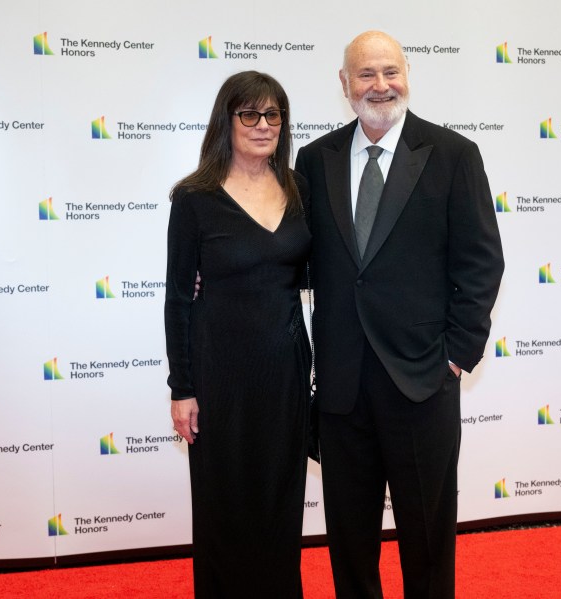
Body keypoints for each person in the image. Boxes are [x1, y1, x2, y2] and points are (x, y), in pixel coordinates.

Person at [295, 31, 505, 598]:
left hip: (422, 382)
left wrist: (455, 357)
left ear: (407, 75)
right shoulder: (314, 160)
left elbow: (482, 262)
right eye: (366, 74)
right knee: (349, 541)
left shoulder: (453, 155)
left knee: (428, 539)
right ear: (345, 83)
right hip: (341, 387)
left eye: (390, 71)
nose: (380, 85)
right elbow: (297, 256)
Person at [165, 71, 311, 598]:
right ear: (226, 121)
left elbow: (315, 272)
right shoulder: (194, 198)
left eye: (273, 114)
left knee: (279, 501)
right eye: (250, 113)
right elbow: (178, 298)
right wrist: (182, 387)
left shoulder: (299, 189)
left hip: (286, 372)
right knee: (223, 505)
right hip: (219, 375)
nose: (263, 124)